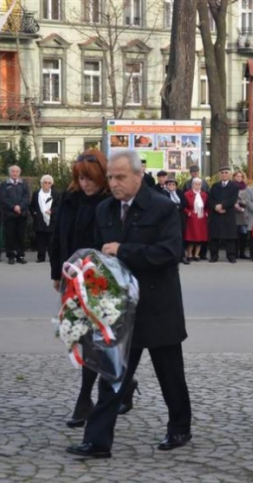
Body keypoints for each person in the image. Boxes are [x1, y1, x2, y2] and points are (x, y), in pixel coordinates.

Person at [66, 150, 192, 459]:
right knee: (112, 375)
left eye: (120, 177)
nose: (114, 183)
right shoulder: (106, 209)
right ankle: (97, 441)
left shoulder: (163, 207)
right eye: (110, 177)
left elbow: (169, 252)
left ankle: (179, 427)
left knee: (170, 375)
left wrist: (125, 250)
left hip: (158, 306)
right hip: (120, 309)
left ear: (138, 176)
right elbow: (99, 252)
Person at [49, 150, 127, 428]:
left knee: (97, 339)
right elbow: (57, 235)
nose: (85, 184)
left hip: (100, 280)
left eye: (90, 178)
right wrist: (56, 271)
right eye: (81, 178)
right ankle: (122, 383)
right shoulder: (69, 199)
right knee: (83, 337)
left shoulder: (110, 203)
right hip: (72, 278)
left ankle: (85, 400)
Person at [207, 166, 241, 263]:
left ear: (229, 174)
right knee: (214, 236)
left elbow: (233, 199)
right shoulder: (214, 186)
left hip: (228, 213)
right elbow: (210, 199)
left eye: (226, 172)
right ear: (219, 175)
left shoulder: (234, 186)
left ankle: (231, 256)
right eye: (222, 173)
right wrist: (215, 207)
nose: (224, 174)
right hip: (216, 214)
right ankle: (214, 256)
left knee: (230, 236)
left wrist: (222, 205)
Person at [0, 165, 30, 265]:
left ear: (19, 173)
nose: (15, 173)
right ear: (9, 173)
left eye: (16, 172)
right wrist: (13, 207)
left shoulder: (23, 184)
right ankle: (10, 256)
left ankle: (20, 255)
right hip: (9, 215)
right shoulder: (4, 184)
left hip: (21, 214)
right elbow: (3, 198)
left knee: (20, 236)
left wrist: (20, 206)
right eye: (13, 172)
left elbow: (26, 197)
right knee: (10, 236)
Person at [30, 175, 58, 263]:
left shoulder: (55, 194)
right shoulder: (36, 194)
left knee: (51, 240)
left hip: (51, 220)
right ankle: (41, 257)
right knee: (40, 240)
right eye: (45, 182)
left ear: (51, 184)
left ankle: (52, 257)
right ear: (41, 183)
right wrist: (34, 214)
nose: (47, 184)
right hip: (39, 220)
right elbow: (32, 206)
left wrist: (52, 211)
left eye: (49, 183)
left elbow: (59, 206)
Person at [165, 177, 190, 265]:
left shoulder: (179, 193)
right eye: (169, 184)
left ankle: (182, 256)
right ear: (166, 185)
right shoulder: (164, 193)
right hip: (168, 218)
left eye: (173, 184)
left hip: (179, 217)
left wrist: (178, 207)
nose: (171, 186)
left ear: (176, 186)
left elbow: (184, 203)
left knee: (180, 236)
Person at [183, 178, 209, 262]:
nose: (197, 186)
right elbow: (183, 206)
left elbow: (208, 206)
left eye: (199, 184)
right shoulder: (187, 194)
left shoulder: (204, 195)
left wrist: (206, 213)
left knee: (200, 238)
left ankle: (197, 254)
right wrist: (188, 213)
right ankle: (189, 254)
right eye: (195, 184)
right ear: (192, 185)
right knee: (191, 238)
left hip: (201, 218)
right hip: (191, 219)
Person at [233, 170, 250, 259]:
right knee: (235, 234)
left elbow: (249, 198)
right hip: (234, 213)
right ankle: (235, 252)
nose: (239, 178)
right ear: (234, 177)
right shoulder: (231, 186)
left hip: (243, 213)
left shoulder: (246, 188)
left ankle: (242, 252)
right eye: (237, 176)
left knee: (243, 233)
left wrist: (242, 203)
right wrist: (235, 204)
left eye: (241, 176)